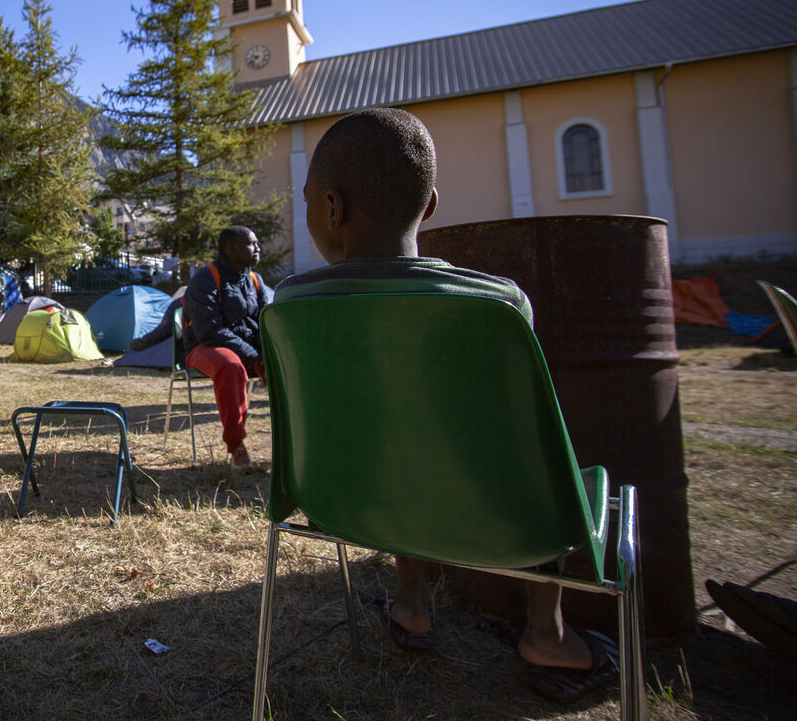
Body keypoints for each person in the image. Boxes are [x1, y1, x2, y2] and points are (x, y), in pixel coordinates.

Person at [276, 108, 614, 698]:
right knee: (528, 462)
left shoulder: (292, 303)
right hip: (505, 524)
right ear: (429, 206)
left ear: (330, 207)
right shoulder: (499, 303)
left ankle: (411, 604)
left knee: (396, 441)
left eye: (307, 203)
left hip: (344, 506)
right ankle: (546, 632)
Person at [182, 226, 273, 471]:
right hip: (204, 346)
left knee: (284, 361)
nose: (258, 248)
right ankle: (236, 446)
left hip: (246, 349)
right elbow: (209, 331)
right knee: (230, 365)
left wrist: (267, 354)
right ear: (231, 249)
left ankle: (290, 445)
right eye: (252, 244)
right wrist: (254, 356)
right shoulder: (206, 278)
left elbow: (267, 322)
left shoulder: (255, 279)